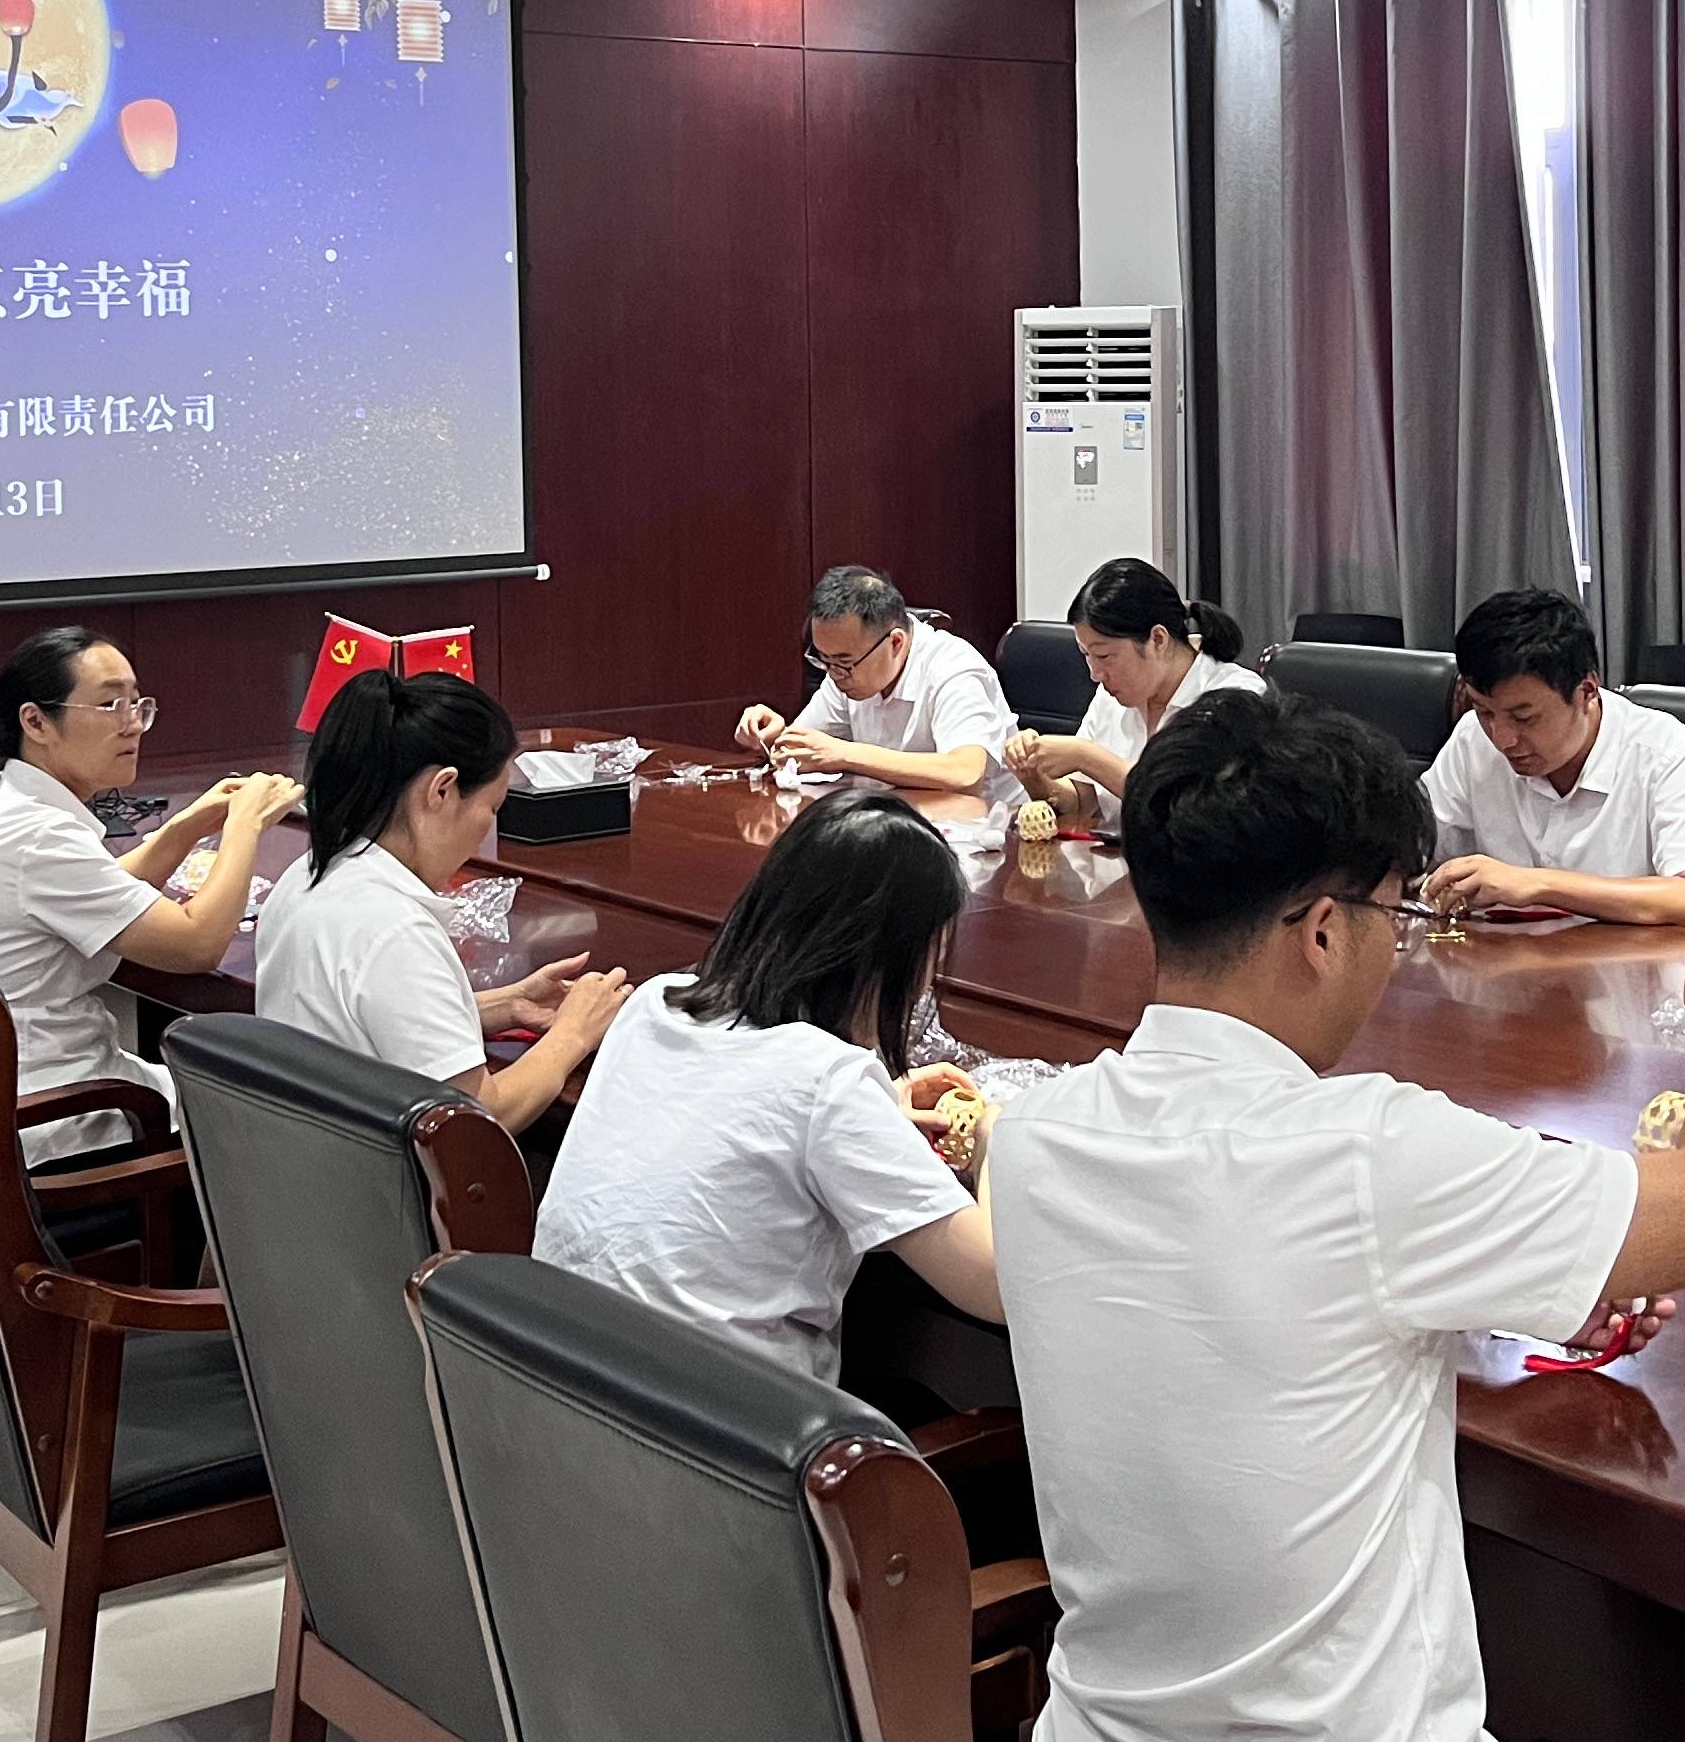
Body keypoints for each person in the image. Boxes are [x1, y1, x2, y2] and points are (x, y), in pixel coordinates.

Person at [995, 689, 1685, 1742]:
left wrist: (1493, 1282)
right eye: (1392, 916)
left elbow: (1230, 1314)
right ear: (1323, 931)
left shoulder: (1038, 1135)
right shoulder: (1364, 1151)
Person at [533, 784, 1003, 1382]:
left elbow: (743, 1123)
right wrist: (996, 1137)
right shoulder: (830, 1083)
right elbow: (995, 1286)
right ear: (889, 957)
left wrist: (879, 1111)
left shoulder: (657, 1001)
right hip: (718, 1420)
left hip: (558, 1385)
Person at [0, 625, 301, 1160]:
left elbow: (102, 888)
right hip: (52, 1117)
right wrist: (245, 826)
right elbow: (196, 945)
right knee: (278, 1107)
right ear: (35, 721)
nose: (132, 724)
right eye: (108, 705)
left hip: (13, 1093)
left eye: (136, 704)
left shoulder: (18, 812)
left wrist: (186, 826)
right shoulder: (40, 838)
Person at [254, 668, 627, 1135]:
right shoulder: (394, 929)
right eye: (491, 807)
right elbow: (476, 1119)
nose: (488, 829)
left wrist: (507, 1003)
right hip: (375, 1175)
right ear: (442, 790)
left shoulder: (308, 874)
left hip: (307, 1156)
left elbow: (363, 1021)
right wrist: (574, 1033)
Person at [1416, 589, 1685, 924]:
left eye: (1524, 718)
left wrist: (1538, 884)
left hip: (1622, 957)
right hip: (1499, 953)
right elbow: (1411, 848)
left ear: (1586, 692)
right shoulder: (1472, 739)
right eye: (1484, 711)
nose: (1502, 740)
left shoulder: (1668, 755)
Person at [1000, 556, 1266, 817]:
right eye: (1086, 655)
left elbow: (1182, 805)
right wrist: (1033, 774)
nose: (1095, 674)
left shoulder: (1234, 695)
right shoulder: (1111, 696)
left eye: (1104, 655)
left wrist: (1085, 756)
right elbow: (1081, 802)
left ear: (1158, 639)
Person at [735, 563, 1022, 806]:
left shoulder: (954, 668)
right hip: (895, 818)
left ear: (895, 642)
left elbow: (965, 774)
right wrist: (773, 737)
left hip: (987, 833)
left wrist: (844, 754)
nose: (834, 674)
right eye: (824, 659)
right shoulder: (847, 669)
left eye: (844, 662)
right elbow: (807, 750)